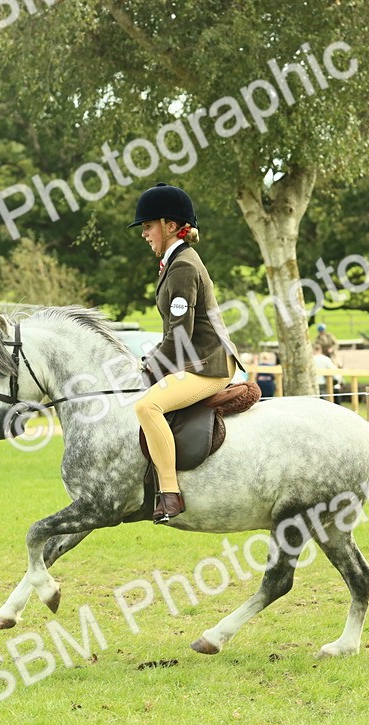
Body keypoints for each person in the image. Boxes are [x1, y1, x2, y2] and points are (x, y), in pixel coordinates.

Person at [129, 182, 241, 524]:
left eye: (148, 226)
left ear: (170, 226)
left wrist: (150, 365)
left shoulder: (183, 267)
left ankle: (170, 494)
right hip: (196, 360)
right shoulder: (174, 262)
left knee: (147, 406)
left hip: (208, 365)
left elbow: (179, 335)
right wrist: (148, 361)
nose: (144, 234)